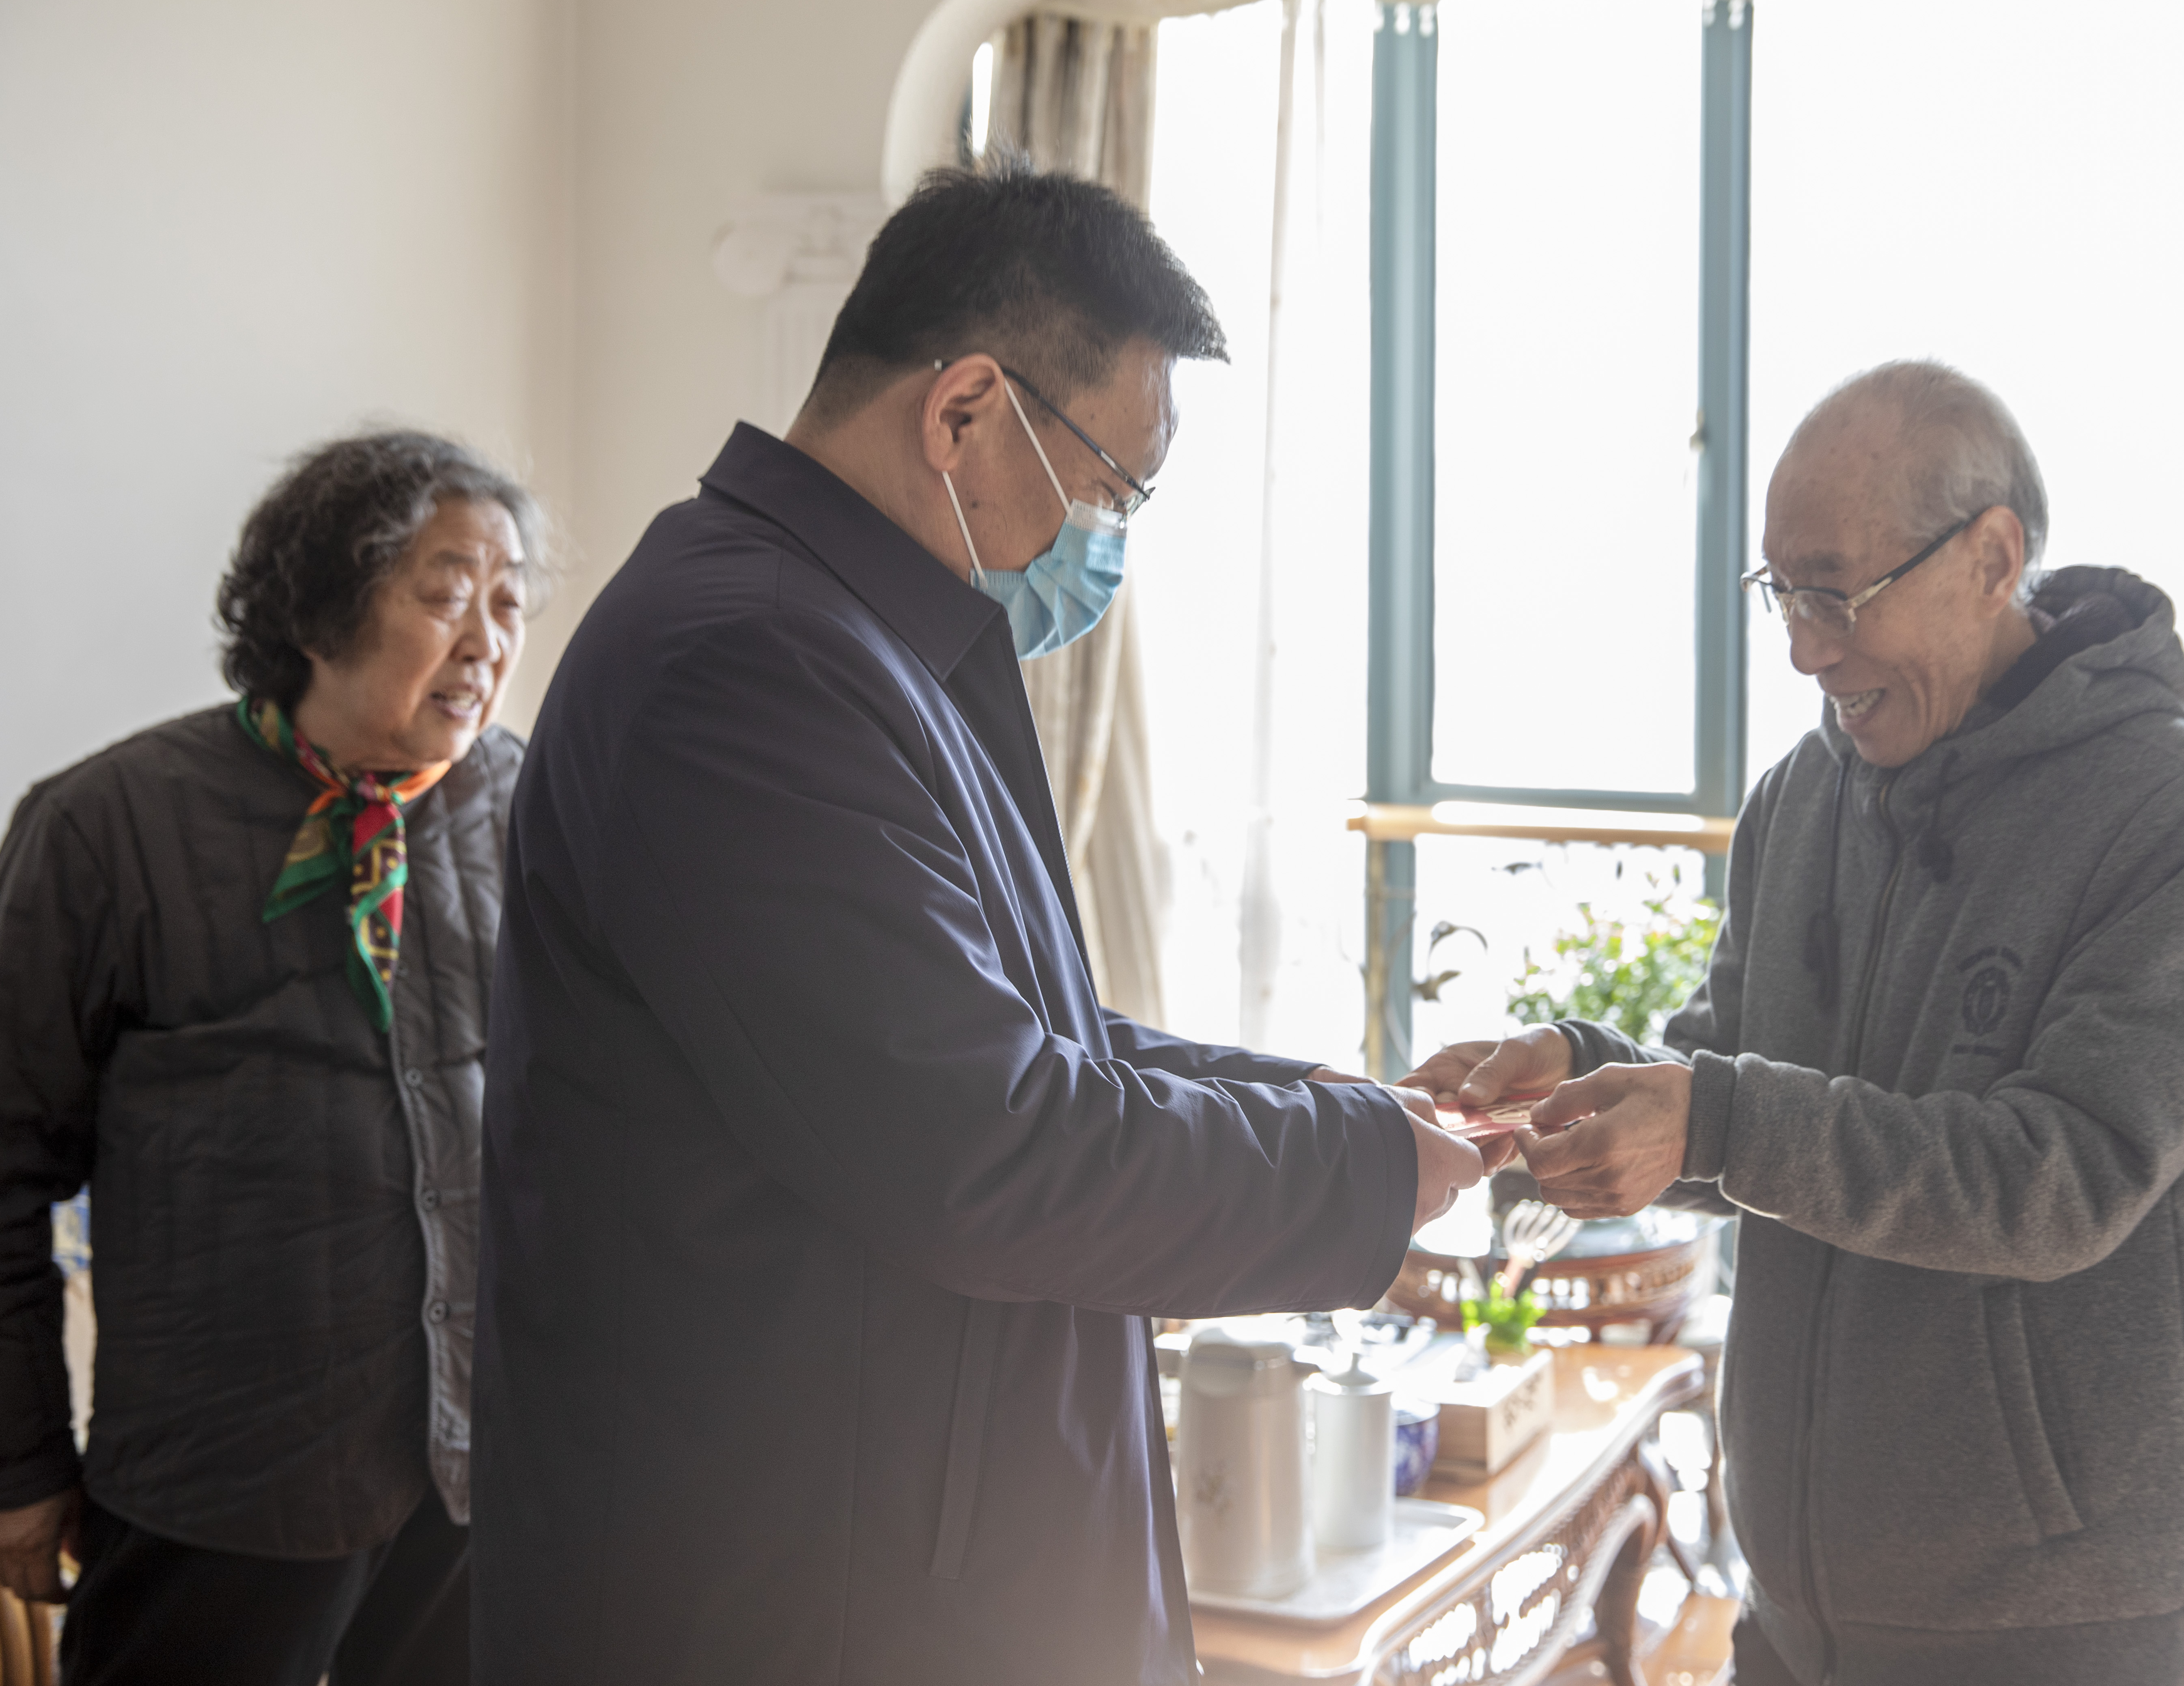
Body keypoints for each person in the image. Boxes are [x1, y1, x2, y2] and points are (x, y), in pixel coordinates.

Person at [472, 162, 1483, 1685]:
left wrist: (1322, 1103)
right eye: (1110, 487)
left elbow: (1030, 1037)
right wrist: (1364, 1171)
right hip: (795, 1592)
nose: (1107, 538)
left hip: (889, 1541)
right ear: (962, 413)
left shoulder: (852, 641)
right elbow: (985, 1149)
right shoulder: (744, 666)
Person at [1414, 361, 2184, 1686]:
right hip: (1797, 1588)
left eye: (1838, 593)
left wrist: (1716, 1117)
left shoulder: (2179, 817)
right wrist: (1585, 1080)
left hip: (2052, 1607)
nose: (1807, 649)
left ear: (1993, 559)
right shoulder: (1801, 798)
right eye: (1782, 593)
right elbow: (1729, 1074)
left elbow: (2063, 1179)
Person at [0, 433, 543, 1685]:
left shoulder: (534, 807)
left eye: (510, 604)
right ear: (320, 607)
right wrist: (20, 1463)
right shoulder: (106, 829)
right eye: (448, 594)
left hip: (484, 1476)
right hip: (227, 1489)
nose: (487, 642)